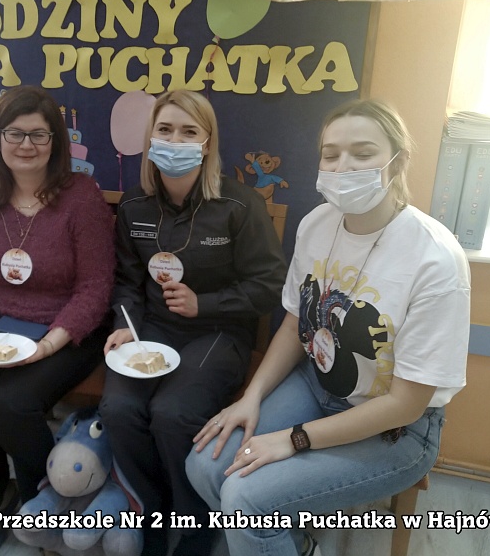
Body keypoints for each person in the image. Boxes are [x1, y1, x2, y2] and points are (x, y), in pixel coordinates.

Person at [187, 99, 471, 556]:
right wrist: (251, 398)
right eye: (331, 154)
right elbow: (294, 323)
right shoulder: (317, 223)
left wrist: (294, 439)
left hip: (397, 428)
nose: (343, 167)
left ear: (398, 162)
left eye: (363, 153)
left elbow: (406, 403)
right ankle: (291, 542)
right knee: (204, 465)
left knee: (247, 500)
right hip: (317, 385)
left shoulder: (435, 259)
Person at [98, 89, 287, 556]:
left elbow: (269, 286)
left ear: (207, 143)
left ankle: (194, 524)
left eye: (189, 132)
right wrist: (124, 324)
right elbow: (126, 281)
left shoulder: (239, 205)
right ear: (150, 137)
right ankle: (151, 509)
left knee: (172, 414)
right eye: (165, 130)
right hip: (151, 330)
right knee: (118, 410)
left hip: (218, 331)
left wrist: (205, 304)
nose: (175, 141)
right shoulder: (135, 205)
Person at [0, 85, 115, 553]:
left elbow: (95, 288)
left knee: (11, 403)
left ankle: (44, 498)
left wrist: (47, 345)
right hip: (2, 325)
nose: (26, 144)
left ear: (55, 142)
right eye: (14, 133)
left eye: (39, 135)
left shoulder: (81, 196)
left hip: (71, 328)